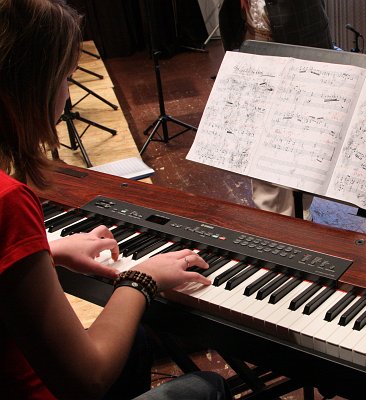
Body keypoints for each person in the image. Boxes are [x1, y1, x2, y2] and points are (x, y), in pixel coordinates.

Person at [0, 1, 229, 399]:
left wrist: (49, 251)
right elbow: (86, 379)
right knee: (207, 387)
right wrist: (143, 278)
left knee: (134, 342)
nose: (67, 94)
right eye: (66, 78)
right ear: (33, 86)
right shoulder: (9, 202)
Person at [219, 0, 333, 220]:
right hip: (253, 43)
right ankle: (271, 218)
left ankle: (299, 212)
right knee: (259, 135)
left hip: (300, 35)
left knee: (303, 132)